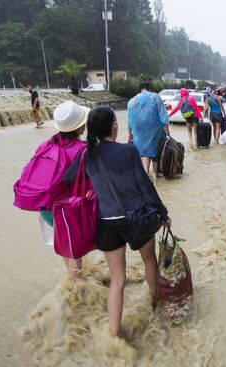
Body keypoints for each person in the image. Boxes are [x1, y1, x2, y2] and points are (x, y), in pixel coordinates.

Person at [64, 106, 172, 338]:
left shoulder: (86, 154)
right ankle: (153, 302)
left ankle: (114, 335)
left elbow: (68, 178)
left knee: (118, 280)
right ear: (114, 125)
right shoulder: (128, 151)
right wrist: (163, 213)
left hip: (108, 224)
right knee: (150, 260)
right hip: (137, 220)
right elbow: (145, 185)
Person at [38, 100, 90, 280]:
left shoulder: (45, 145)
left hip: (45, 208)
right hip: (67, 209)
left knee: (64, 244)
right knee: (75, 250)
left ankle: (70, 280)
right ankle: (76, 291)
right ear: (79, 127)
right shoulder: (82, 150)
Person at [127, 81, 170, 178]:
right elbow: (163, 113)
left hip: (139, 132)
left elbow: (130, 119)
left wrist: (130, 132)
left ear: (140, 88)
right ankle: (156, 175)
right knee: (156, 151)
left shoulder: (131, 101)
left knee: (144, 152)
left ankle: (146, 173)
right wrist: (167, 129)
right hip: (156, 129)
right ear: (149, 87)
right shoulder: (155, 97)